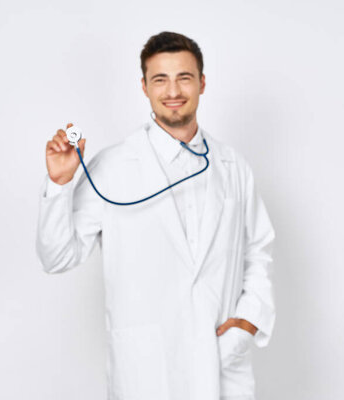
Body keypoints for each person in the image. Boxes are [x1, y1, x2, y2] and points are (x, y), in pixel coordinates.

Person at [36, 31, 276, 400]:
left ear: (202, 83)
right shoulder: (112, 167)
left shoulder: (233, 166)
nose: (173, 91)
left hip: (221, 361)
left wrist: (247, 322)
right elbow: (57, 257)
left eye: (184, 77)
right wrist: (59, 184)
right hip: (146, 369)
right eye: (160, 79)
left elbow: (257, 251)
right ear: (145, 87)